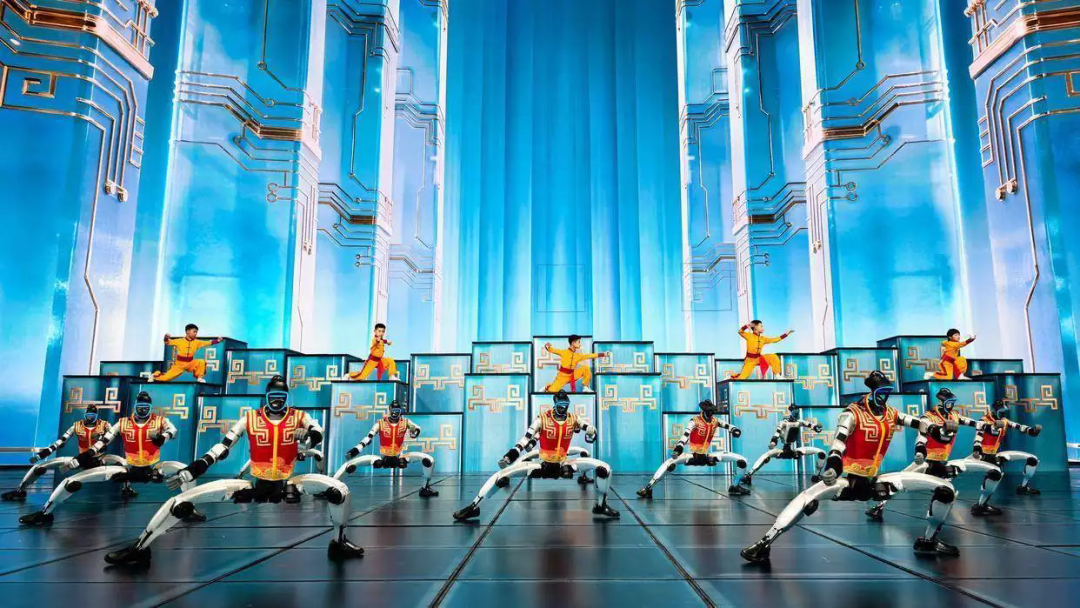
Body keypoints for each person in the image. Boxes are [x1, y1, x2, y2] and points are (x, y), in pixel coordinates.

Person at [103, 375, 363, 566]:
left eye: (281, 397)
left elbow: (317, 428)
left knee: (339, 490)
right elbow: (223, 445)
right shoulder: (249, 418)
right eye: (273, 396)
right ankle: (140, 547)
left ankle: (338, 542)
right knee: (180, 501)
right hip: (254, 484)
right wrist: (197, 467)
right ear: (266, 396)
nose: (276, 401)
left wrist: (309, 436)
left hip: (289, 482)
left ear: (287, 398)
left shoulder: (298, 416)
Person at [741, 371, 961, 563]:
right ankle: (764, 543)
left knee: (946, 489)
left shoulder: (891, 414)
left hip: (876, 479)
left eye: (887, 392)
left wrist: (943, 430)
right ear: (872, 391)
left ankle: (928, 541)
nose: (884, 397)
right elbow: (838, 443)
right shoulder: (852, 413)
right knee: (806, 498)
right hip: (849, 480)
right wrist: (833, 467)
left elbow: (921, 424)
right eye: (881, 392)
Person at [18, 392, 204, 526]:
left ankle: (189, 508)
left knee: (186, 471)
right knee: (72, 481)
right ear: (135, 407)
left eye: (145, 407)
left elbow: (173, 430)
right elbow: (102, 442)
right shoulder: (122, 423)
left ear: (150, 408)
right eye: (139, 407)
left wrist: (163, 437)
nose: (142, 410)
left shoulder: (159, 420)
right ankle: (45, 513)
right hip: (128, 467)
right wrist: (83, 457)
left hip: (155, 466)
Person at [452, 391, 619, 520]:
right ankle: (474, 506)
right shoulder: (542, 420)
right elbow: (525, 439)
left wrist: (592, 430)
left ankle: (600, 505)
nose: (563, 408)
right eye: (561, 405)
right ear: (555, 404)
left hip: (564, 462)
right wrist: (511, 455)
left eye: (566, 405)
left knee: (604, 469)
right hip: (542, 463)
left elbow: (586, 427)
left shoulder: (573, 419)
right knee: (500, 476)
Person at [865, 388, 1001, 521]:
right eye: (948, 402)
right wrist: (920, 451)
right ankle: (878, 507)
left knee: (946, 490)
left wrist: (992, 426)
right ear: (941, 401)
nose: (951, 405)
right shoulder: (928, 417)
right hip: (926, 461)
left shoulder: (954, 416)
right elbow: (922, 435)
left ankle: (942, 515)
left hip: (941, 463)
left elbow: (976, 423)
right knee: (898, 483)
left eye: (952, 402)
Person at [637, 399, 750, 498]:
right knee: (669, 463)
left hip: (707, 455)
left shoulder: (715, 421)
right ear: (704, 410)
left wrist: (734, 429)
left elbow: (727, 425)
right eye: (709, 411)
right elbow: (686, 434)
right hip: (692, 455)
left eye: (712, 411)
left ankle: (735, 486)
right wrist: (679, 447)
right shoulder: (695, 421)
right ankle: (648, 488)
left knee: (742, 461)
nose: (711, 413)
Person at [2, 404, 114, 501]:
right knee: (39, 467)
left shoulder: (105, 425)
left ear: (96, 416)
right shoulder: (76, 426)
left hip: (99, 459)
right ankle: (20, 490)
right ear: (85, 415)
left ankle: (124, 487)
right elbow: (61, 441)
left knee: (120, 465)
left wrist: (101, 438)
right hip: (79, 459)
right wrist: (44, 453)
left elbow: (111, 436)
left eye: (92, 416)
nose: (90, 418)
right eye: (88, 416)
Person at [333, 400, 439, 497]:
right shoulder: (380, 423)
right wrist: (357, 449)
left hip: (399, 457)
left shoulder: (405, 422)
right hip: (382, 458)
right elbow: (368, 438)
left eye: (397, 411)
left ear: (400, 411)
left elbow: (417, 429)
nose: (394, 414)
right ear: (389, 411)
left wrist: (414, 431)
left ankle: (425, 487)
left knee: (429, 461)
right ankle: (332, 486)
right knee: (350, 465)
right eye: (393, 411)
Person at [739, 404, 827, 487]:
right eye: (794, 410)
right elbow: (777, 433)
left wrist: (816, 427)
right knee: (765, 456)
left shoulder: (799, 422)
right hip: (783, 450)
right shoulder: (784, 422)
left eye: (797, 411)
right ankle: (748, 475)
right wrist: (773, 442)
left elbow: (810, 425)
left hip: (794, 451)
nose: (796, 413)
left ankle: (816, 475)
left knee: (822, 453)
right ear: (791, 411)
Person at [972, 399, 1043, 496]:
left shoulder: (1004, 421)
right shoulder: (984, 420)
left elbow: (1018, 426)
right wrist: (976, 449)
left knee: (1033, 460)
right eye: (1001, 411)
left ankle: (1024, 487)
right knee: (996, 474)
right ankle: (982, 502)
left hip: (997, 454)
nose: (1002, 413)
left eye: (1003, 411)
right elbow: (979, 435)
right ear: (995, 410)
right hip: (984, 454)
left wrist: (1030, 430)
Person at [152, 324, 223, 383]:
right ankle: (154, 375)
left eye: (196, 332)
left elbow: (207, 342)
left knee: (201, 362)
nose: (195, 334)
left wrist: (217, 341)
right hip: (179, 365)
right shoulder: (180, 341)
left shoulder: (197, 342)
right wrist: (166, 338)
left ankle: (199, 378)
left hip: (190, 363)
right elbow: (168, 342)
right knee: (165, 378)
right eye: (194, 332)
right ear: (187, 332)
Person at [542, 335, 610, 392]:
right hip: (562, 377)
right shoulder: (564, 352)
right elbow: (553, 350)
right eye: (579, 342)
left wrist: (603, 354)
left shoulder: (578, 355)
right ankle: (547, 387)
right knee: (552, 391)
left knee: (585, 368)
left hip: (572, 375)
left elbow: (589, 355)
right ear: (573, 343)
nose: (580, 344)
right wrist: (548, 346)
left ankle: (585, 387)